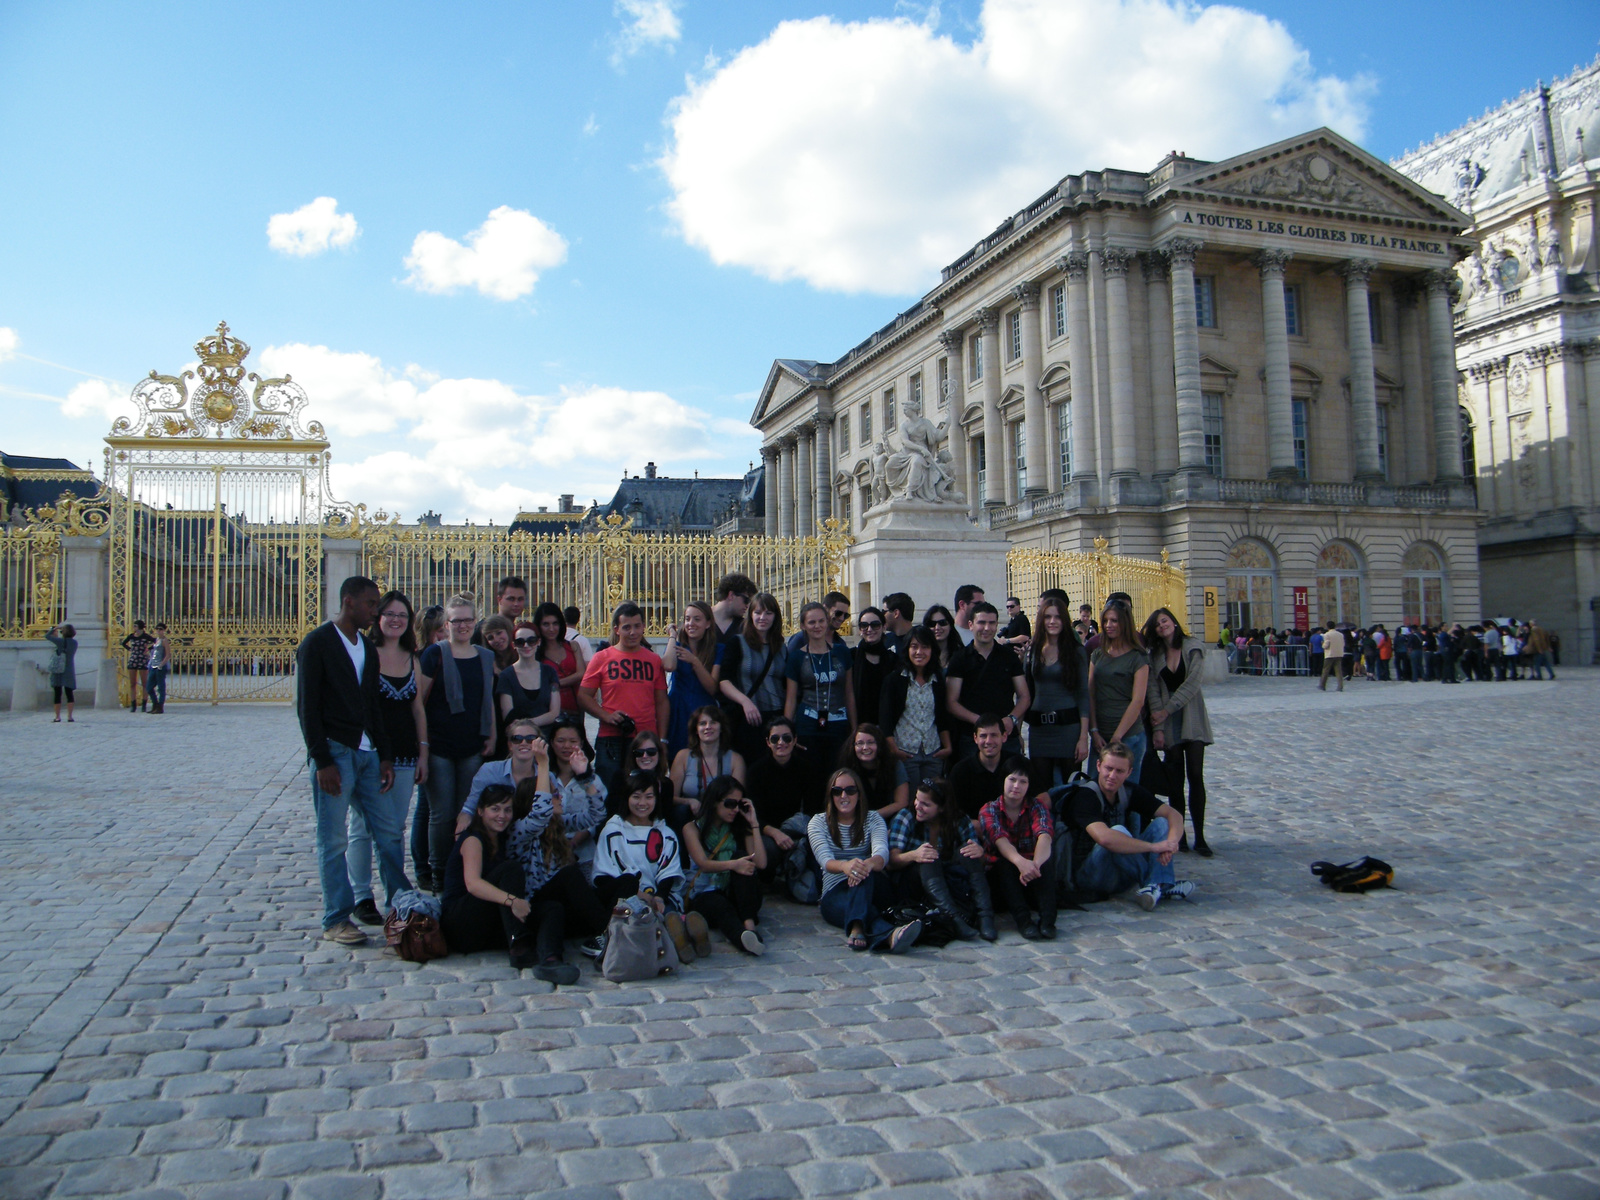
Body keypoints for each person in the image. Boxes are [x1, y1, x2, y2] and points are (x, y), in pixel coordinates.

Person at [295, 576, 405, 946]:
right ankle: (336, 917)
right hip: (336, 751)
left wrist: (385, 754)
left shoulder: (367, 648)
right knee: (334, 840)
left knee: (389, 831)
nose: (376, 611)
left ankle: (400, 905)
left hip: (368, 753)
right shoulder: (318, 643)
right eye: (371, 604)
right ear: (348, 602)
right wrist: (321, 759)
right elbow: (307, 706)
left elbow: (373, 706)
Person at [347, 591, 428, 926]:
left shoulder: (412, 657)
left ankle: (393, 893)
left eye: (403, 615)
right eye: (390, 614)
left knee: (393, 828)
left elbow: (418, 708)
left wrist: (424, 752)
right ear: (378, 618)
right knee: (362, 827)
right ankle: (361, 895)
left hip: (406, 752)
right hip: (370, 752)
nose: (396, 620)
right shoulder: (364, 653)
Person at [417, 593, 498, 890]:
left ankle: (463, 868)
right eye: (456, 621)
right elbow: (419, 701)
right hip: (439, 745)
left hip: (471, 746)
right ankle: (439, 871)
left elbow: (486, 700)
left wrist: (491, 735)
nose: (462, 625)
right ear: (447, 624)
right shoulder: (434, 655)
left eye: (467, 620)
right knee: (441, 814)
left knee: (467, 812)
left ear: (474, 622)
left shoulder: (484, 656)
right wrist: (422, 745)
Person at [438, 784, 557, 978]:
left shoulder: (500, 838)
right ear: (480, 811)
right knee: (510, 869)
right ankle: (519, 945)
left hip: (485, 917)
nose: (502, 815)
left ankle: (551, 958)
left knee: (551, 908)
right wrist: (512, 901)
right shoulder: (473, 839)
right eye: (495, 809)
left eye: (507, 810)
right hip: (459, 922)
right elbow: (473, 883)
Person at [1060, 742, 1195, 912]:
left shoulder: (1129, 791)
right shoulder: (1085, 796)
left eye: (1119, 771)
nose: (1112, 775)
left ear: (1129, 772)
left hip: (1120, 871)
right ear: (1098, 766)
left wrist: (1171, 844)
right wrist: (1154, 847)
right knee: (1117, 832)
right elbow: (1105, 839)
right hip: (1090, 876)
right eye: (1108, 768)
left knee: (1162, 823)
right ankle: (1159, 884)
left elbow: (1174, 815)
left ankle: (1156, 885)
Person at [592, 771, 707, 959]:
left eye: (649, 797)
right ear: (627, 798)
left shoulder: (665, 832)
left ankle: (683, 933)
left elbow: (669, 871)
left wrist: (660, 897)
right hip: (628, 897)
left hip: (658, 896)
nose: (642, 803)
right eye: (636, 797)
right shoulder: (613, 831)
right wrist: (641, 896)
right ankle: (676, 937)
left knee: (667, 911)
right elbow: (604, 873)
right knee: (640, 918)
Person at [808, 768, 921, 953]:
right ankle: (890, 935)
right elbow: (825, 860)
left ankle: (858, 928)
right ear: (831, 795)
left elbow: (881, 854)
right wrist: (846, 866)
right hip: (835, 890)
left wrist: (863, 866)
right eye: (837, 791)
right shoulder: (818, 822)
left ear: (859, 794)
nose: (844, 795)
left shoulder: (873, 818)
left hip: (872, 884)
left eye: (850, 790)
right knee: (861, 908)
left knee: (863, 874)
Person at [1143, 607, 1214, 858]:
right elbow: (1152, 690)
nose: (1163, 626)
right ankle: (1179, 835)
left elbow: (1193, 683)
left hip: (1190, 715)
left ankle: (1201, 836)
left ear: (1174, 621)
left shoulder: (1192, 647)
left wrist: (1168, 709)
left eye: (1165, 621)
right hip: (1167, 719)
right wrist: (1158, 725)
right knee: (1175, 780)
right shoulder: (1155, 655)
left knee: (1196, 774)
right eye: (1158, 624)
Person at [888, 779, 994, 941]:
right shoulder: (906, 817)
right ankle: (954, 919)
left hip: (948, 883)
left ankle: (986, 917)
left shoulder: (959, 820)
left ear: (942, 808)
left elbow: (980, 863)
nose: (918, 806)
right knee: (928, 856)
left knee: (968, 851)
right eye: (917, 799)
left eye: (926, 804)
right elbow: (892, 861)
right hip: (914, 883)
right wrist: (914, 855)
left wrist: (980, 853)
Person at [578, 602, 671, 785]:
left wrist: (662, 739)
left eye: (637, 626)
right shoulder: (602, 658)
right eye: (626, 627)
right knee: (609, 791)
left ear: (644, 627)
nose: (633, 632)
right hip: (611, 736)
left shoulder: (653, 660)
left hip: (645, 737)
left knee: (645, 790)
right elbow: (583, 695)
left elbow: (662, 702)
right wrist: (606, 716)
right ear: (617, 629)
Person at [682, 775, 768, 955]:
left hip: (737, 893)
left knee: (742, 857)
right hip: (705, 893)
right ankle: (745, 938)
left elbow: (760, 863)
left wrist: (754, 824)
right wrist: (733, 865)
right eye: (730, 804)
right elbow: (703, 863)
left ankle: (749, 926)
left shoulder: (739, 827)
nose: (735, 809)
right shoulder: (692, 828)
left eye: (739, 804)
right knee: (719, 905)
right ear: (714, 802)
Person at [977, 756, 1057, 939]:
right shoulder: (989, 810)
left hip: (1030, 872)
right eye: (1012, 780)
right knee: (1004, 864)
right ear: (1003, 780)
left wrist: (1035, 865)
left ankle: (1048, 920)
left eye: (1023, 781)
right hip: (1001, 875)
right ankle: (1024, 921)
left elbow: (1044, 835)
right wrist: (1022, 864)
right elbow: (1001, 841)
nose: (1016, 786)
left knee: (1046, 859)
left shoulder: (1037, 807)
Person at [946, 601, 1030, 759]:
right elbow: (951, 702)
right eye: (981, 622)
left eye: (991, 623)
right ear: (971, 625)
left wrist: (1011, 719)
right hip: (972, 737)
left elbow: (1024, 696)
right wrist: (981, 722)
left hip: (1005, 735)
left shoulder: (1009, 656)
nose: (987, 628)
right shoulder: (959, 658)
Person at [745, 715, 821, 884]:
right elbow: (754, 815)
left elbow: (813, 809)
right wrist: (775, 833)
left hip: (799, 829)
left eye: (786, 738)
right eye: (775, 738)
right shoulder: (756, 772)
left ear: (795, 740)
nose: (781, 743)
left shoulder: (806, 769)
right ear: (767, 742)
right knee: (767, 849)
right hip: (767, 831)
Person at [1024, 595, 1090, 788]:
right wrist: (1018, 730)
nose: (1052, 621)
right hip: (1039, 730)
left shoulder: (1076, 651)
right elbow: (1026, 692)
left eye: (1057, 617)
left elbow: (1083, 694)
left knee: (1071, 790)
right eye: (1048, 617)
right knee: (1041, 789)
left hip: (1068, 728)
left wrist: (1083, 737)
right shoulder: (1033, 650)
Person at [784, 601, 856, 769]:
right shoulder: (796, 658)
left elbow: (849, 693)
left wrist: (854, 728)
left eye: (821, 621)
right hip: (808, 725)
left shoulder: (842, 652)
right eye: (811, 622)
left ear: (827, 622)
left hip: (839, 724)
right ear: (803, 625)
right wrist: (787, 732)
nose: (817, 626)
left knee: (838, 772)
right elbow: (791, 698)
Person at [880, 626, 952, 789]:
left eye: (925, 647)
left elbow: (942, 715)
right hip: (905, 752)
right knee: (911, 802)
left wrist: (947, 747)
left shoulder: (937, 680)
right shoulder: (895, 680)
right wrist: (894, 751)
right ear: (907, 649)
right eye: (914, 647)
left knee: (932, 801)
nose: (919, 652)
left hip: (932, 751)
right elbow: (886, 719)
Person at [719, 591, 787, 762]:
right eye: (757, 612)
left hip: (776, 716)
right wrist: (745, 701)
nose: (762, 617)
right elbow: (723, 680)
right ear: (750, 615)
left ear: (775, 617)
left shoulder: (781, 646)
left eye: (768, 613)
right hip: (749, 717)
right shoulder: (737, 643)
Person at [1087, 602, 1149, 782]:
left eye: (1114, 621)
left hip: (1128, 735)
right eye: (1105, 620)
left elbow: (1138, 701)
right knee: (1095, 786)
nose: (1108, 625)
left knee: (1126, 792)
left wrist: (1117, 736)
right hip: (1100, 734)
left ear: (1124, 623)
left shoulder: (1138, 657)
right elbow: (1090, 693)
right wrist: (1094, 730)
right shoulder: (1098, 654)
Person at [663, 600, 723, 759]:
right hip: (678, 711)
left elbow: (712, 688)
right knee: (676, 759)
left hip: (703, 711)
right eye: (688, 619)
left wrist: (695, 662)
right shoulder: (677, 646)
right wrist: (672, 635)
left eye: (697, 619)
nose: (691, 623)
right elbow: (668, 665)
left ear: (708, 623)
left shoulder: (718, 649)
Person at [670, 704, 745, 822]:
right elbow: (670, 797)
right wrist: (689, 801)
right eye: (702, 723)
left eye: (713, 722)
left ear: (721, 728)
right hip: (691, 817)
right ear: (695, 729)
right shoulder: (683, 756)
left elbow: (738, 799)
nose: (708, 727)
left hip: (722, 818)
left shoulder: (736, 759)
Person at [948, 714, 1016, 821]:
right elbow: (951, 811)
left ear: (1004, 737)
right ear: (975, 738)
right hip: (974, 831)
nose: (988, 741)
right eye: (983, 736)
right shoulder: (960, 771)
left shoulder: (1017, 765)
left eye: (994, 735)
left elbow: (1042, 797)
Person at [498, 620, 559, 735]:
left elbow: (554, 712)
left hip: (546, 737)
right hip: (519, 739)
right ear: (514, 645)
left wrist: (527, 723)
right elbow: (508, 715)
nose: (526, 646)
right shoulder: (506, 676)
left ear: (539, 642)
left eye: (531, 641)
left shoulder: (550, 672)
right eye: (520, 642)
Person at [837, 723, 909, 820]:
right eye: (860, 743)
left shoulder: (894, 764)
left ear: (879, 744)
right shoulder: (847, 768)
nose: (865, 747)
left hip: (889, 819)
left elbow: (902, 802)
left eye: (870, 742)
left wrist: (872, 817)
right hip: (857, 820)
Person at [531, 602, 584, 720]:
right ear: (538, 626)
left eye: (555, 623)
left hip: (575, 709)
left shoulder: (573, 646)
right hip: (546, 712)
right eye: (546, 624)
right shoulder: (534, 651)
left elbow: (581, 674)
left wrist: (555, 683)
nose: (551, 629)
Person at [851, 607, 894, 727]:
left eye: (875, 625)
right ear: (860, 629)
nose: (869, 629)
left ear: (884, 627)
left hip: (886, 725)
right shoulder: (851, 657)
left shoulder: (893, 659)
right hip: (859, 726)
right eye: (864, 625)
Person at [784, 591, 850, 651]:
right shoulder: (800, 639)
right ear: (825, 609)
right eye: (838, 613)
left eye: (846, 615)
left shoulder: (841, 644)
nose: (842, 618)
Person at [472, 576, 527, 645]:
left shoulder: (519, 631)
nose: (516, 604)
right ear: (499, 600)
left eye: (520, 599)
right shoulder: (482, 629)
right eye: (511, 599)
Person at [45, 623, 78, 722]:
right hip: (69, 669)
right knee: (69, 693)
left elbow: (47, 636)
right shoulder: (74, 643)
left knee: (57, 693)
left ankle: (57, 716)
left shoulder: (60, 641)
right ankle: (70, 716)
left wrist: (54, 629)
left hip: (58, 669)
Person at [121, 620, 156, 713]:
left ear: (140, 627)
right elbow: (123, 643)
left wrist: (148, 649)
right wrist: (130, 649)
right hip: (133, 659)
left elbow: (155, 642)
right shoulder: (132, 636)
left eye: (135, 626)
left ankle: (144, 704)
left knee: (144, 683)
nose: (134, 628)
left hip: (143, 659)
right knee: (132, 683)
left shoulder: (145, 636)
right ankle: (133, 704)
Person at [710, 572, 756, 640]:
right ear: (731, 595)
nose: (748, 606)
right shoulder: (701, 618)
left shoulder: (745, 626)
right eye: (746, 600)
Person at [922, 604, 959, 671]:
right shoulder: (921, 655)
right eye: (932, 624)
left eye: (942, 623)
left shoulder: (961, 655)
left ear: (950, 626)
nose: (937, 628)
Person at [146, 623, 171, 714]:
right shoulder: (156, 640)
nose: (158, 631)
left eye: (160, 629)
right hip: (153, 665)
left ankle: (160, 707)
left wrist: (161, 664)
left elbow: (168, 654)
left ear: (164, 630)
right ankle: (155, 704)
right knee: (149, 687)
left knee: (161, 688)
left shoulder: (164, 641)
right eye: (157, 629)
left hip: (160, 666)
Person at [1319, 624, 1346, 691]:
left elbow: (1326, 645)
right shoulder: (1340, 634)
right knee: (1338, 671)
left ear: (1327, 627)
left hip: (1330, 654)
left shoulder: (1327, 634)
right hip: (1339, 654)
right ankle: (1340, 686)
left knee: (1325, 670)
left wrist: (1322, 645)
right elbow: (1343, 644)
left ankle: (1322, 685)